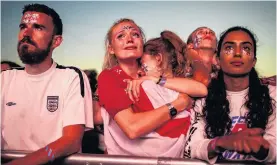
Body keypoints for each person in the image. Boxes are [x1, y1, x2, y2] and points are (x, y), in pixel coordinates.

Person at [1, 4, 93, 165]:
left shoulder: (70, 76)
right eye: (23, 26)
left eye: (38, 28)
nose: (26, 33)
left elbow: (71, 141)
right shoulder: (5, 78)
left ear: (56, 41)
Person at [96, 18, 202, 157]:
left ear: (142, 42)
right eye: (121, 36)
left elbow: (199, 89)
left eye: (135, 34)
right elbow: (132, 128)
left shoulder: (156, 75)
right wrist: (178, 104)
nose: (129, 39)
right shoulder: (110, 77)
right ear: (111, 49)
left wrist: (155, 79)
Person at [184, 26, 276, 164]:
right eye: (229, 48)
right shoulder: (204, 99)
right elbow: (191, 149)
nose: (237, 53)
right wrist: (222, 142)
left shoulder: (272, 95)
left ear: (254, 61)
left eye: (246, 48)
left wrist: (262, 148)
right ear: (218, 60)